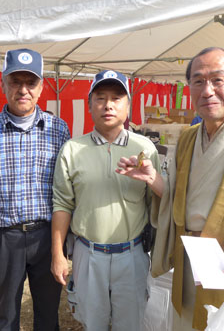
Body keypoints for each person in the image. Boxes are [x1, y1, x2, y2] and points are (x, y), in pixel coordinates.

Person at [117, 47, 224, 330]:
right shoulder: (187, 139)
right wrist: (153, 179)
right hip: (189, 262)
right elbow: (178, 201)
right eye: (198, 81)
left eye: (217, 80)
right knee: (186, 321)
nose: (207, 90)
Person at [0, 48, 71, 331]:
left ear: (41, 86)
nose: (23, 90)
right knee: (5, 315)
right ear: (4, 83)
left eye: (30, 82)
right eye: (15, 81)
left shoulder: (58, 130)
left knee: (48, 315)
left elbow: (68, 188)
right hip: (3, 239)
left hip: (47, 238)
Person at [51, 70, 160, 330]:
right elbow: (62, 204)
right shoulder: (72, 150)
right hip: (88, 254)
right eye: (100, 98)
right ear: (89, 106)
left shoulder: (144, 149)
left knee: (131, 323)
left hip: (132, 255)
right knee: (93, 323)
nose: (108, 105)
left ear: (128, 106)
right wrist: (57, 253)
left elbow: (156, 203)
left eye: (116, 98)